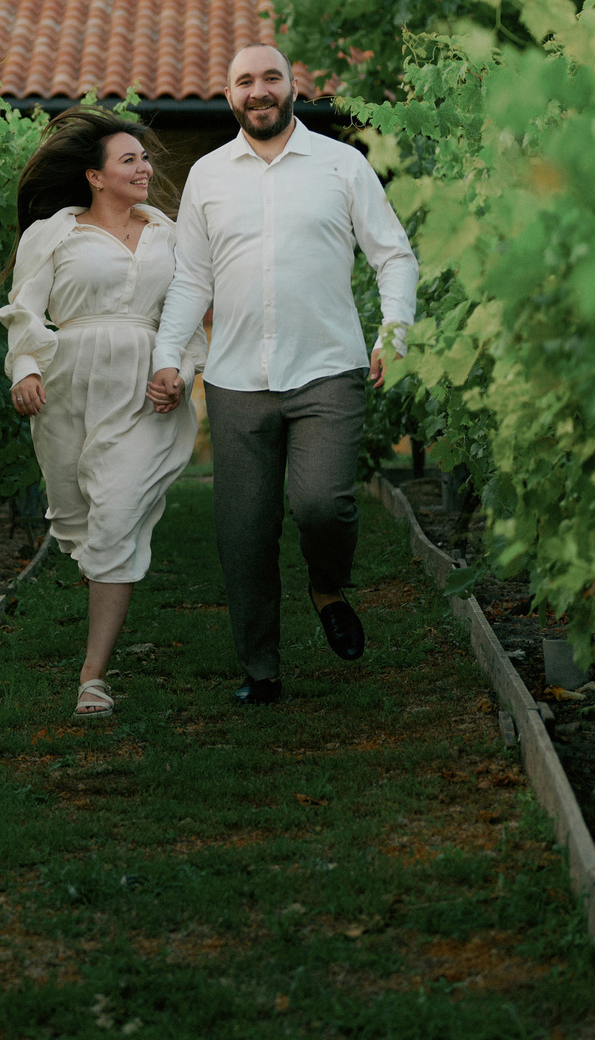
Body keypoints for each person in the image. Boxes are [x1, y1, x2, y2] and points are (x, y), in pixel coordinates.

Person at [147, 45, 418, 706]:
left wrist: (395, 334)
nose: (259, 91)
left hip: (328, 368)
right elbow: (190, 278)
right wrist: (167, 356)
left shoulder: (341, 165)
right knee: (243, 531)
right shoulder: (208, 177)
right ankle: (261, 671)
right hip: (238, 378)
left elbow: (393, 256)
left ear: (293, 86)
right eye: (245, 81)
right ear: (229, 93)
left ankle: (326, 585)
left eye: (271, 78)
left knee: (323, 504)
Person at [0, 109, 206, 720]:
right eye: (130, 160)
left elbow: (188, 310)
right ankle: (104, 576)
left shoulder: (171, 236)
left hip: (145, 389)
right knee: (83, 523)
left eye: (145, 159)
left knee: (115, 517)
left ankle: (93, 676)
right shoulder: (54, 234)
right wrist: (26, 369)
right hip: (69, 387)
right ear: (94, 176)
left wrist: (182, 370)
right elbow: (24, 309)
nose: (146, 168)